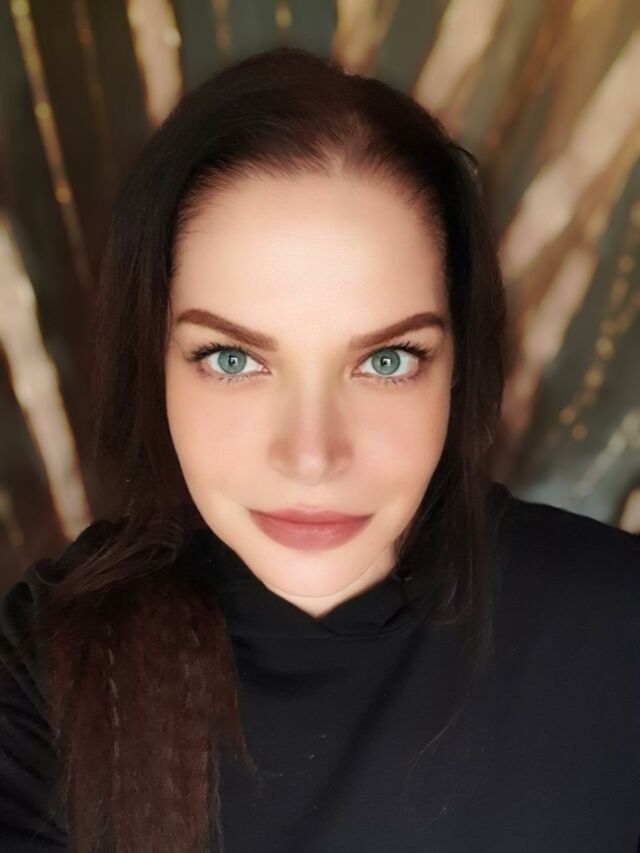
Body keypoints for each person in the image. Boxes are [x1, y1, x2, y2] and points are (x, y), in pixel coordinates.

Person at [0, 45, 638, 853]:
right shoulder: (52, 661)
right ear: (153, 361)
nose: (311, 456)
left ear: (458, 366)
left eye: (387, 361)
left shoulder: (621, 632)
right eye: (233, 359)